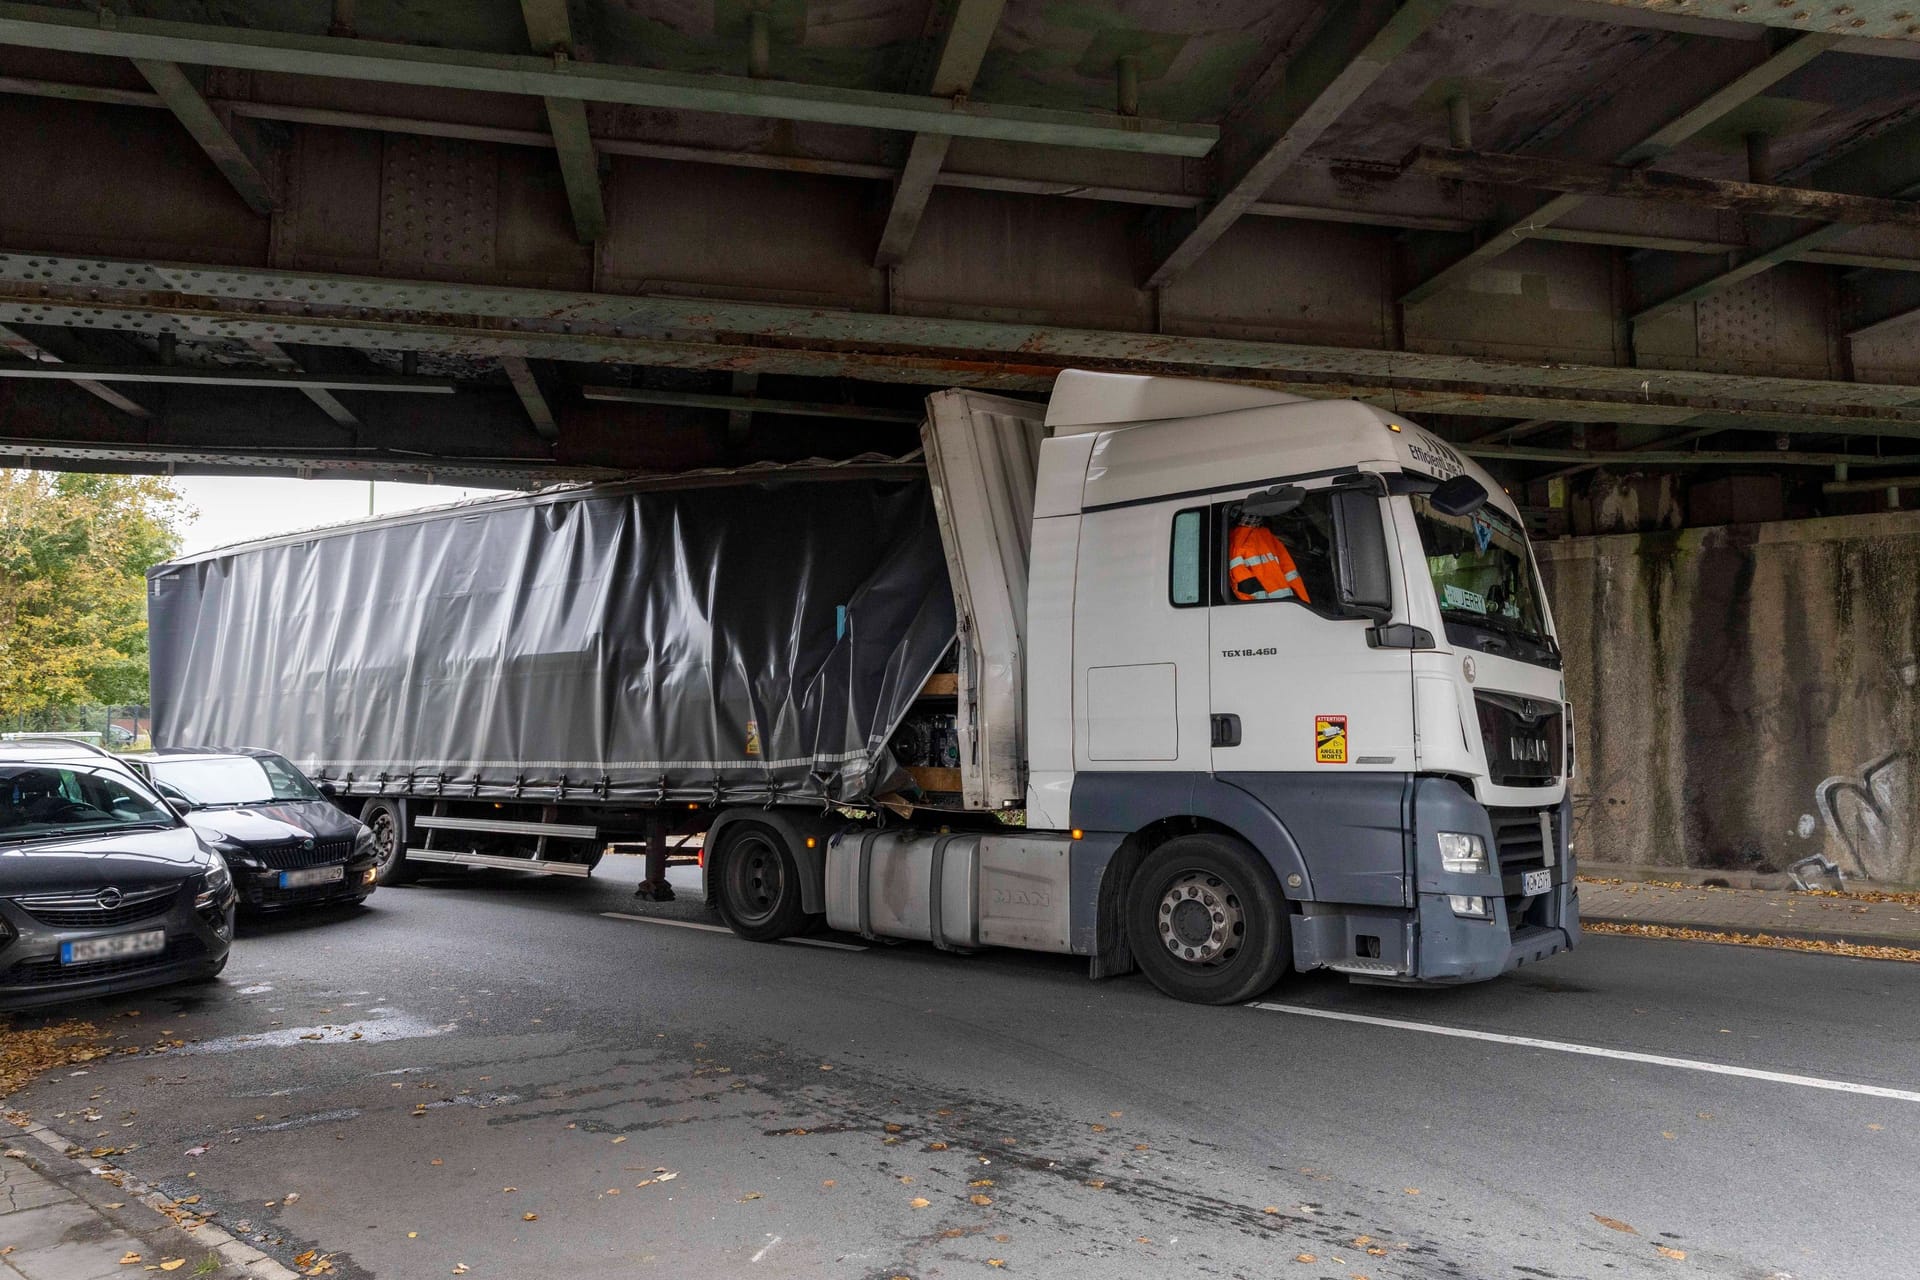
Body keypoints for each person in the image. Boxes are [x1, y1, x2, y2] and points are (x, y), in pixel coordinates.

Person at [1228, 510, 1312, 603]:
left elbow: (1290, 571)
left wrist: (1304, 603)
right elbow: (1243, 582)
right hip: (1274, 607)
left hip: (1281, 605)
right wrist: (1304, 602)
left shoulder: (1265, 535)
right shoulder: (1237, 541)